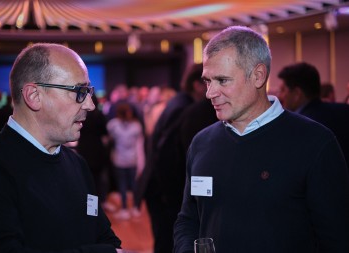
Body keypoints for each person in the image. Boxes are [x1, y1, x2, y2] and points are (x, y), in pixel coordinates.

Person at [173, 26, 349, 253]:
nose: (210, 93)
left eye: (222, 80)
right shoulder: (201, 143)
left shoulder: (315, 143)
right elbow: (188, 219)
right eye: (208, 81)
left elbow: (337, 239)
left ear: (258, 76)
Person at [0, 43, 123, 253]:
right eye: (79, 91)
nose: (90, 104)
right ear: (34, 96)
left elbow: (106, 237)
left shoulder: (77, 163)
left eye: (89, 91)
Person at [137, 63, 206, 253]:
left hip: (159, 188)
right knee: (167, 243)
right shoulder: (184, 107)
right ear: (197, 85)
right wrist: (174, 196)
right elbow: (164, 154)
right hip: (162, 191)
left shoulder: (179, 102)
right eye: (210, 81)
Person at [278, 62, 349, 168]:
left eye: (283, 90)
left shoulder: (299, 127)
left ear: (297, 94)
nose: (279, 96)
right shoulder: (344, 111)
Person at [107, 102, 145, 220]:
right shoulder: (137, 126)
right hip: (132, 160)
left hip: (119, 159)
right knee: (134, 185)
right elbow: (140, 146)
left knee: (122, 185)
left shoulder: (113, 125)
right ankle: (135, 207)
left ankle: (124, 208)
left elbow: (109, 138)